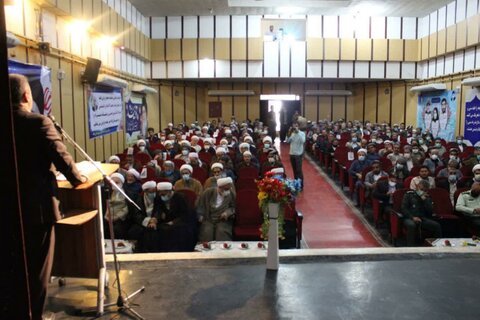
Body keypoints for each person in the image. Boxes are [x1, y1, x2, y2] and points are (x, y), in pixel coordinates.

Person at [10, 74, 86, 319]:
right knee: (36, 269)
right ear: (26, 96)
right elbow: (61, 158)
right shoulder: (37, 122)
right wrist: (77, 179)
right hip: (34, 210)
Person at [152, 182, 195, 252]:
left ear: (169, 191)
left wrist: (173, 222)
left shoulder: (180, 197)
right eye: (159, 193)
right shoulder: (158, 197)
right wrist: (155, 219)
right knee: (157, 229)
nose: (160, 195)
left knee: (178, 230)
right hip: (167, 220)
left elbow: (186, 214)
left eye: (163, 194)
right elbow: (157, 210)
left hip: (181, 221)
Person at [401, 180, 442, 246]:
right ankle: (410, 247)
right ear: (417, 187)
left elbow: (430, 211)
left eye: (425, 190)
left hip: (422, 218)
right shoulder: (409, 194)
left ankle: (437, 245)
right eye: (421, 189)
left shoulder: (427, 197)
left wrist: (425, 200)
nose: (423, 191)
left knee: (436, 226)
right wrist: (412, 217)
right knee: (411, 225)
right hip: (410, 217)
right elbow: (404, 209)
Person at [197, 177, 236, 242]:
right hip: (208, 219)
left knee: (221, 231)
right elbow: (201, 206)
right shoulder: (208, 192)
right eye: (226, 189)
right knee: (207, 231)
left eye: (229, 189)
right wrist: (200, 215)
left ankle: (222, 251)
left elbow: (233, 207)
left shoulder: (231, 194)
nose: (228, 191)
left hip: (223, 220)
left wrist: (227, 213)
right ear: (219, 188)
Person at [286, 122, 306, 189]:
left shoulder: (302, 133)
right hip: (292, 154)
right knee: (294, 170)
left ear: (299, 127)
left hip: (298, 155)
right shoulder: (292, 133)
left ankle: (301, 185)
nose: (295, 127)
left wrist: (298, 132)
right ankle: (296, 183)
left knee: (299, 170)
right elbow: (287, 141)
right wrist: (288, 133)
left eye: (296, 126)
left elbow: (303, 141)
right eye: (294, 126)